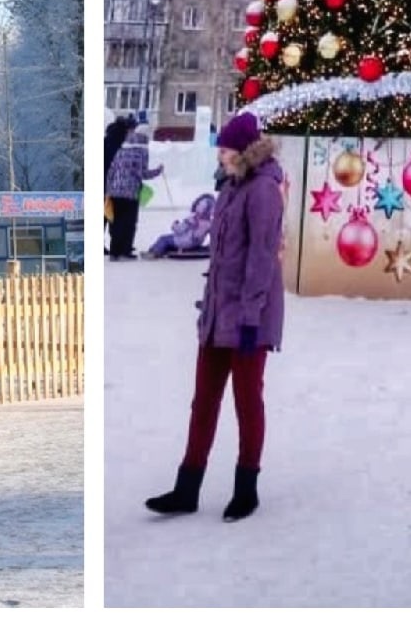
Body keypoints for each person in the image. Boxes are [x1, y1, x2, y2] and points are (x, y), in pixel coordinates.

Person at [146, 110, 284, 523]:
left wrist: (248, 317)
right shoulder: (229, 186)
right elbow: (222, 255)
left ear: (241, 150)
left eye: (224, 147)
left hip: (248, 318)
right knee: (203, 402)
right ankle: (187, 489)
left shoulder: (262, 189)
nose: (219, 153)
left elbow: (261, 257)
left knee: (246, 402)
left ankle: (247, 489)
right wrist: (209, 310)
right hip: (217, 313)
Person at [106, 118, 161, 260]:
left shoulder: (122, 149)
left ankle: (114, 253)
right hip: (130, 193)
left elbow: (111, 170)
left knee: (117, 222)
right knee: (129, 223)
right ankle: (124, 252)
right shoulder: (142, 152)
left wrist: (109, 188)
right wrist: (158, 171)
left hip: (115, 192)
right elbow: (142, 173)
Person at [103, 113, 138, 253]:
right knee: (111, 215)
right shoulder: (118, 144)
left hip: (107, 183)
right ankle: (117, 245)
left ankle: (116, 245)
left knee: (107, 215)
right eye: (132, 130)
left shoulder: (109, 140)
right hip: (110, 184)